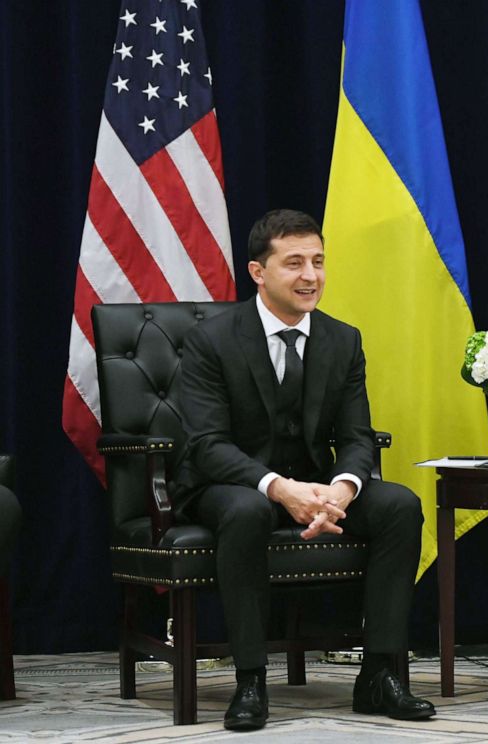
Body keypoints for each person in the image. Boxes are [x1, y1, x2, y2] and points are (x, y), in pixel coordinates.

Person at [174, 209, 434, 731]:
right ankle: (250, 680)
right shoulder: (213, 340)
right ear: (258, 272)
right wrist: (279, 488)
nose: (310, 276)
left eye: (318, 262)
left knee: (399, 505)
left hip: (316, 485)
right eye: (293, 263)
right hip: (230, 485)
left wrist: (342, 488)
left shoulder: (343, 339)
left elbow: (358, 437)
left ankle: (380, 673)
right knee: (249, 510)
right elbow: (205, 444)